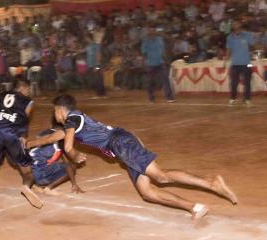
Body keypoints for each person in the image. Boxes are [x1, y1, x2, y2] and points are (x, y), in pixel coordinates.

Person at [44, 94, 238, 221]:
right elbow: (61, 138)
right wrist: (28, 144)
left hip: (121, 143)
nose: (55, 115)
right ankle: (194, 208)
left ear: (61, 109)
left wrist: (76, 155)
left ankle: (212, 182)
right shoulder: (75, 120)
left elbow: (68, 147)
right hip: (122, 146)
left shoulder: (72, 118)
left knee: (161, 176)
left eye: (54, 111)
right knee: (147, 193)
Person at [0, 76, 42, 215]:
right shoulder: (28, 101)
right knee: (27, 172)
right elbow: (23, 120)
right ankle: (26, 187)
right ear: (23, 87)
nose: (29, 92)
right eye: (28, 89)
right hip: (11, 135)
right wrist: (23, 139)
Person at [26, 123, 84, 195]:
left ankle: (38, 185)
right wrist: (74, 184)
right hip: (42, 177)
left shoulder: (44, 133)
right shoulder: (60, 138)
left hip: (31, 177)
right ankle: (49, 188)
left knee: (46, 163)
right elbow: (68, 164)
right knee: (71, 166)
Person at [141, 27, 175, 103]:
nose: (152, 32)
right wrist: (144, 63)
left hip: (161, 62)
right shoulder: (145, 41)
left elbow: (163, 51)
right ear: (149, 32)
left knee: (165, 79)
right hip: (151, 64)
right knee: (150, 81)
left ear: (155, 32)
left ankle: (169, 97)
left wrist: (166, 60)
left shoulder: (160, 39)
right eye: (151, 31)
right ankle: (151, 98)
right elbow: (143, 53)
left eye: (154, 31)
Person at [225, 20, 254, 106]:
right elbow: (228, 50)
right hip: (235, 64)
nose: (235, 25)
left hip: (247, 63)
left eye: (236, 23)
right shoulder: (229, 37)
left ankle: (247, 99)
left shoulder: (247, 35)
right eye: (233, 24)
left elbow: (252, 45)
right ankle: (233, 98)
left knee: (247, 82)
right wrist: (225, 61)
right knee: (233, 82)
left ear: (240, 24)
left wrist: (250, 48)